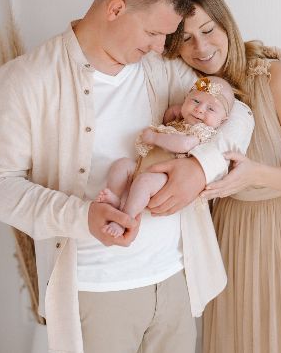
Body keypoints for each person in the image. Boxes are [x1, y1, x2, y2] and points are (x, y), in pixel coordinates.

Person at [0, 0, 253, 353]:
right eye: (154, 33)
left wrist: (199, 168)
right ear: (116, 9)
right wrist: (81, 216)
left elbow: (237, 112)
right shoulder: (27, 79)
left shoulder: (160, 68)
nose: (161, 47)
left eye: (166, 36)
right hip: (97, 291)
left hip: (175, 280)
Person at [165, 0, 281, 353]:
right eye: (186, 38)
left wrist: (254, 174)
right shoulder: (192, 94)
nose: (201, 47)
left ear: (226, 23)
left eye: (208, 30)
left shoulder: (274, 78)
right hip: (230, 233)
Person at [99, 76, 235, 237]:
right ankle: (115, 198)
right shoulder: (179, 122)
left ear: (222, 121)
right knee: (121, 165)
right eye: (195, 101)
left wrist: (154, 138)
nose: (199, 109)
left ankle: (125, 219)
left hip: (165, 178)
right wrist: (176, 111)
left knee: (143, 182)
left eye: (211, 109)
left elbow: (184, 145)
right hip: (144, 166)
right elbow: (168, 120)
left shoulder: (202, 132)